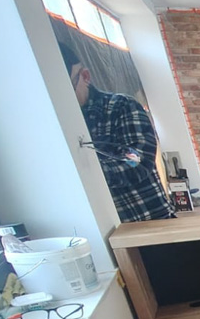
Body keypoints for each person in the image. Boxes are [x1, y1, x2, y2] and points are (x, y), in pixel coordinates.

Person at [59, 41, 175, 223]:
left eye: (69, 88)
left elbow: (137, 161)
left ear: (85, 76)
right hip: (101, 230)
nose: (64, 99)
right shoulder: (59, 125)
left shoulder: (121, 106)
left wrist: (85, 172)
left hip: (148, 223)